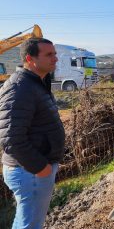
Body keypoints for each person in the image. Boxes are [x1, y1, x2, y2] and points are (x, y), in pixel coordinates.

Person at [0, 38, 65, 228]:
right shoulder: (20, 88)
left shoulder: (35, 83)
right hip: (29, 171)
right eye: (49, 55)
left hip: (32, 171)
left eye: (55, 53)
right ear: (30, 58)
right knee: (29, 224)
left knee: (27, 221)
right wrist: (40, 167)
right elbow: (11, 138)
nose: (56, 59)